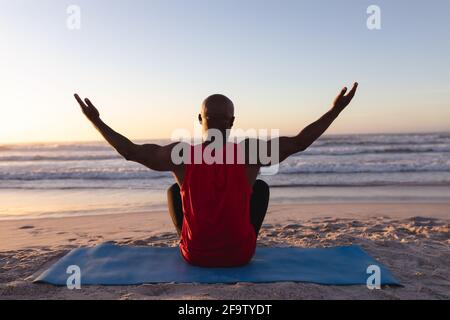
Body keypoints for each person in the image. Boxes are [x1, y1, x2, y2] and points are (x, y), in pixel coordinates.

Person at [74, 82, 358, 267]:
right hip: (240, 256)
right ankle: (242, 238)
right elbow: (299, 142)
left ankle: (190, 238)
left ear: (200, 119)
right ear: (232, 122)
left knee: (174, 191)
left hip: (194, 256)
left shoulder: (182, 154)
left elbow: (132, 152)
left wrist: (96, 121)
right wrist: (336, 110)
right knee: (259, 188)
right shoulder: (251, 151)